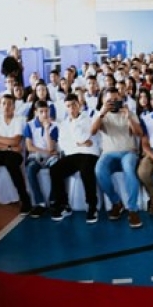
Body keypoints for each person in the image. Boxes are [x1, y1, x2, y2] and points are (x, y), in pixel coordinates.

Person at [92, 88, 143, 228]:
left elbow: (139, 133)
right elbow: (92, 131)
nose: (113, 103)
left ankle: (132, 209)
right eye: (109, 101)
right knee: (99, 170)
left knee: (128, 168)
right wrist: (102, 114)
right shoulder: (101, 115)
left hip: (129, 152)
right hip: (108, 153)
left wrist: (129, 118)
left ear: (121, 99)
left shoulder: (129, 113)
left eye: (116, 100)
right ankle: (116, 202)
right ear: (103, 101)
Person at [49, 94, 101, 223]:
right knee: (55, 169)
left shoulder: (88, 119)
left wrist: (80, 141)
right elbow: (63, 143)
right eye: (68, 106)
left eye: (73, 105)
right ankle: (64, 205)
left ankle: (92, 206)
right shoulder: (64, 123)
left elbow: (82, 136)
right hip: (72, 154)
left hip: (89, 153)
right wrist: (79, 143)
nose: (71, 108)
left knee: (86, 170)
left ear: (79, 105)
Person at [23, 100, 58, 219]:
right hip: (35, 156)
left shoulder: (54, 126)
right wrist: (46, 151)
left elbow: (50, 147)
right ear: (36, 112)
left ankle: (53, 200)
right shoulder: (29, 125)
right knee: (30, 169)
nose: (44, 114)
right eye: (41, 111)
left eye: (46, 111)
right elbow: (29, 147)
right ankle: (40, 202)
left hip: (50, 157)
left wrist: (47, 129)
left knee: (56, 167)